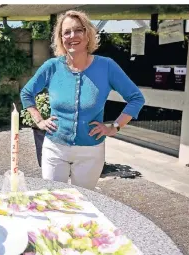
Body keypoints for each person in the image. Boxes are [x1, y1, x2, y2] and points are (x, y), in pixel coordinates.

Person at [20, 10, 145, 188]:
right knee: (53, 199)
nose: (72, 36)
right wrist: (39, 120)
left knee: (84, 201)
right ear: (61, 38)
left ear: (88, 34)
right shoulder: (52, 67)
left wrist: (114, 127)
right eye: (66, 32)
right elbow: (27, 93)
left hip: (90, 152)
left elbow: (136, 98)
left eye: (78, 30)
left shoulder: (106, 66)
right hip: (54, 148)